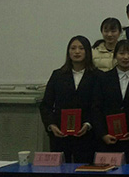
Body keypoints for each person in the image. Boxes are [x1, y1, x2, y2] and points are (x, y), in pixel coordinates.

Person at [39, 35, 99, 163]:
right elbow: (46, 105)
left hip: (87, 134)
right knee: (60, 170)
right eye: (73, 48)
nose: (77, 52)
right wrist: (51, 125)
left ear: (88, 52)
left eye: (81, 48)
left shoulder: (97, 75)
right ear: (68, 52)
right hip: (60, 133)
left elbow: (98, 106)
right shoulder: (58, 75)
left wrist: (88, 124)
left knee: (84, 169)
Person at [92, 40, 129, 164]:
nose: (126, 57)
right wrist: (103, 134)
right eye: (121, 53)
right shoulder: (103, 78)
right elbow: (96, 108)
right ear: (115, 55)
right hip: (108, 139)